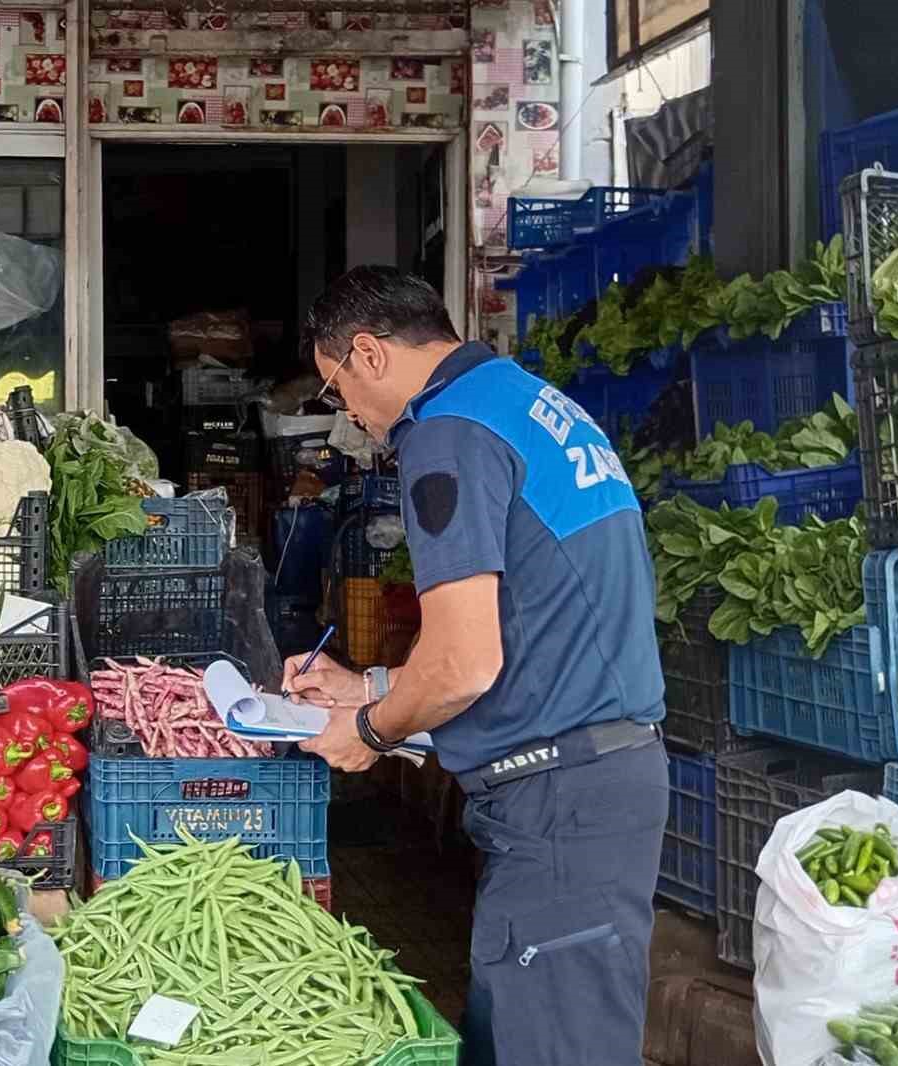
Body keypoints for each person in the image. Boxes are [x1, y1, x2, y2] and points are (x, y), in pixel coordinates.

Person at [286, 266, 668, 1066]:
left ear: (369, 353)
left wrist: (371, 729)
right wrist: (376, 684)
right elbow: (531, 626)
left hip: (561, 801)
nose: (349, 417)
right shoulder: (524, 404)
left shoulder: (448, 434)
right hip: (592, 781)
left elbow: (463, 665)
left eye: (337, 392)